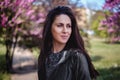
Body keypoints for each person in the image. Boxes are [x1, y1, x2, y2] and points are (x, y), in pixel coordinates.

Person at [38, 6, 99, 80]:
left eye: (68, 26)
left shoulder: (76, 57)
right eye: (60, 25)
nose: (65, 31)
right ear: (49, 27)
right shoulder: (45, 55)